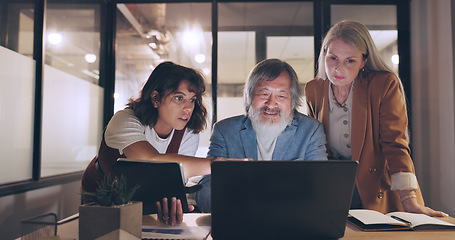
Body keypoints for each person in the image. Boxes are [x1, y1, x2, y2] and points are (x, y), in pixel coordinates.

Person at [305, 20, 447, 217]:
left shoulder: (384, 84)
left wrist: (409, 200)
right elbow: (315, 145)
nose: (339, 68)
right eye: (333, 58)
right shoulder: (314, 89)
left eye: (350, 61)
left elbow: (395, 143)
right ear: (324, 55)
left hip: (378, 188)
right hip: (336, 188)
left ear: (364, 61)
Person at [81, 61, 245, 225]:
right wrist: (218, 165)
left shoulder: (187, 133)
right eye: (179, 98)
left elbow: (173, 178)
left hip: (145, 200)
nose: (188, 108)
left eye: (193, 100)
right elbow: (149, 161)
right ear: (155, 98)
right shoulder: (125, 119)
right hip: (102, 197)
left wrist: (171, 201)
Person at [195, 58, 328, 212]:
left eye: (281, 95)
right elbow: (205, 195)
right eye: (264, 93)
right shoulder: (224, 130)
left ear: (292, 101)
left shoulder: (311, 131)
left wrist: (242, 189)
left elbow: (320, 191)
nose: (271, 104)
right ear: (249, 96)